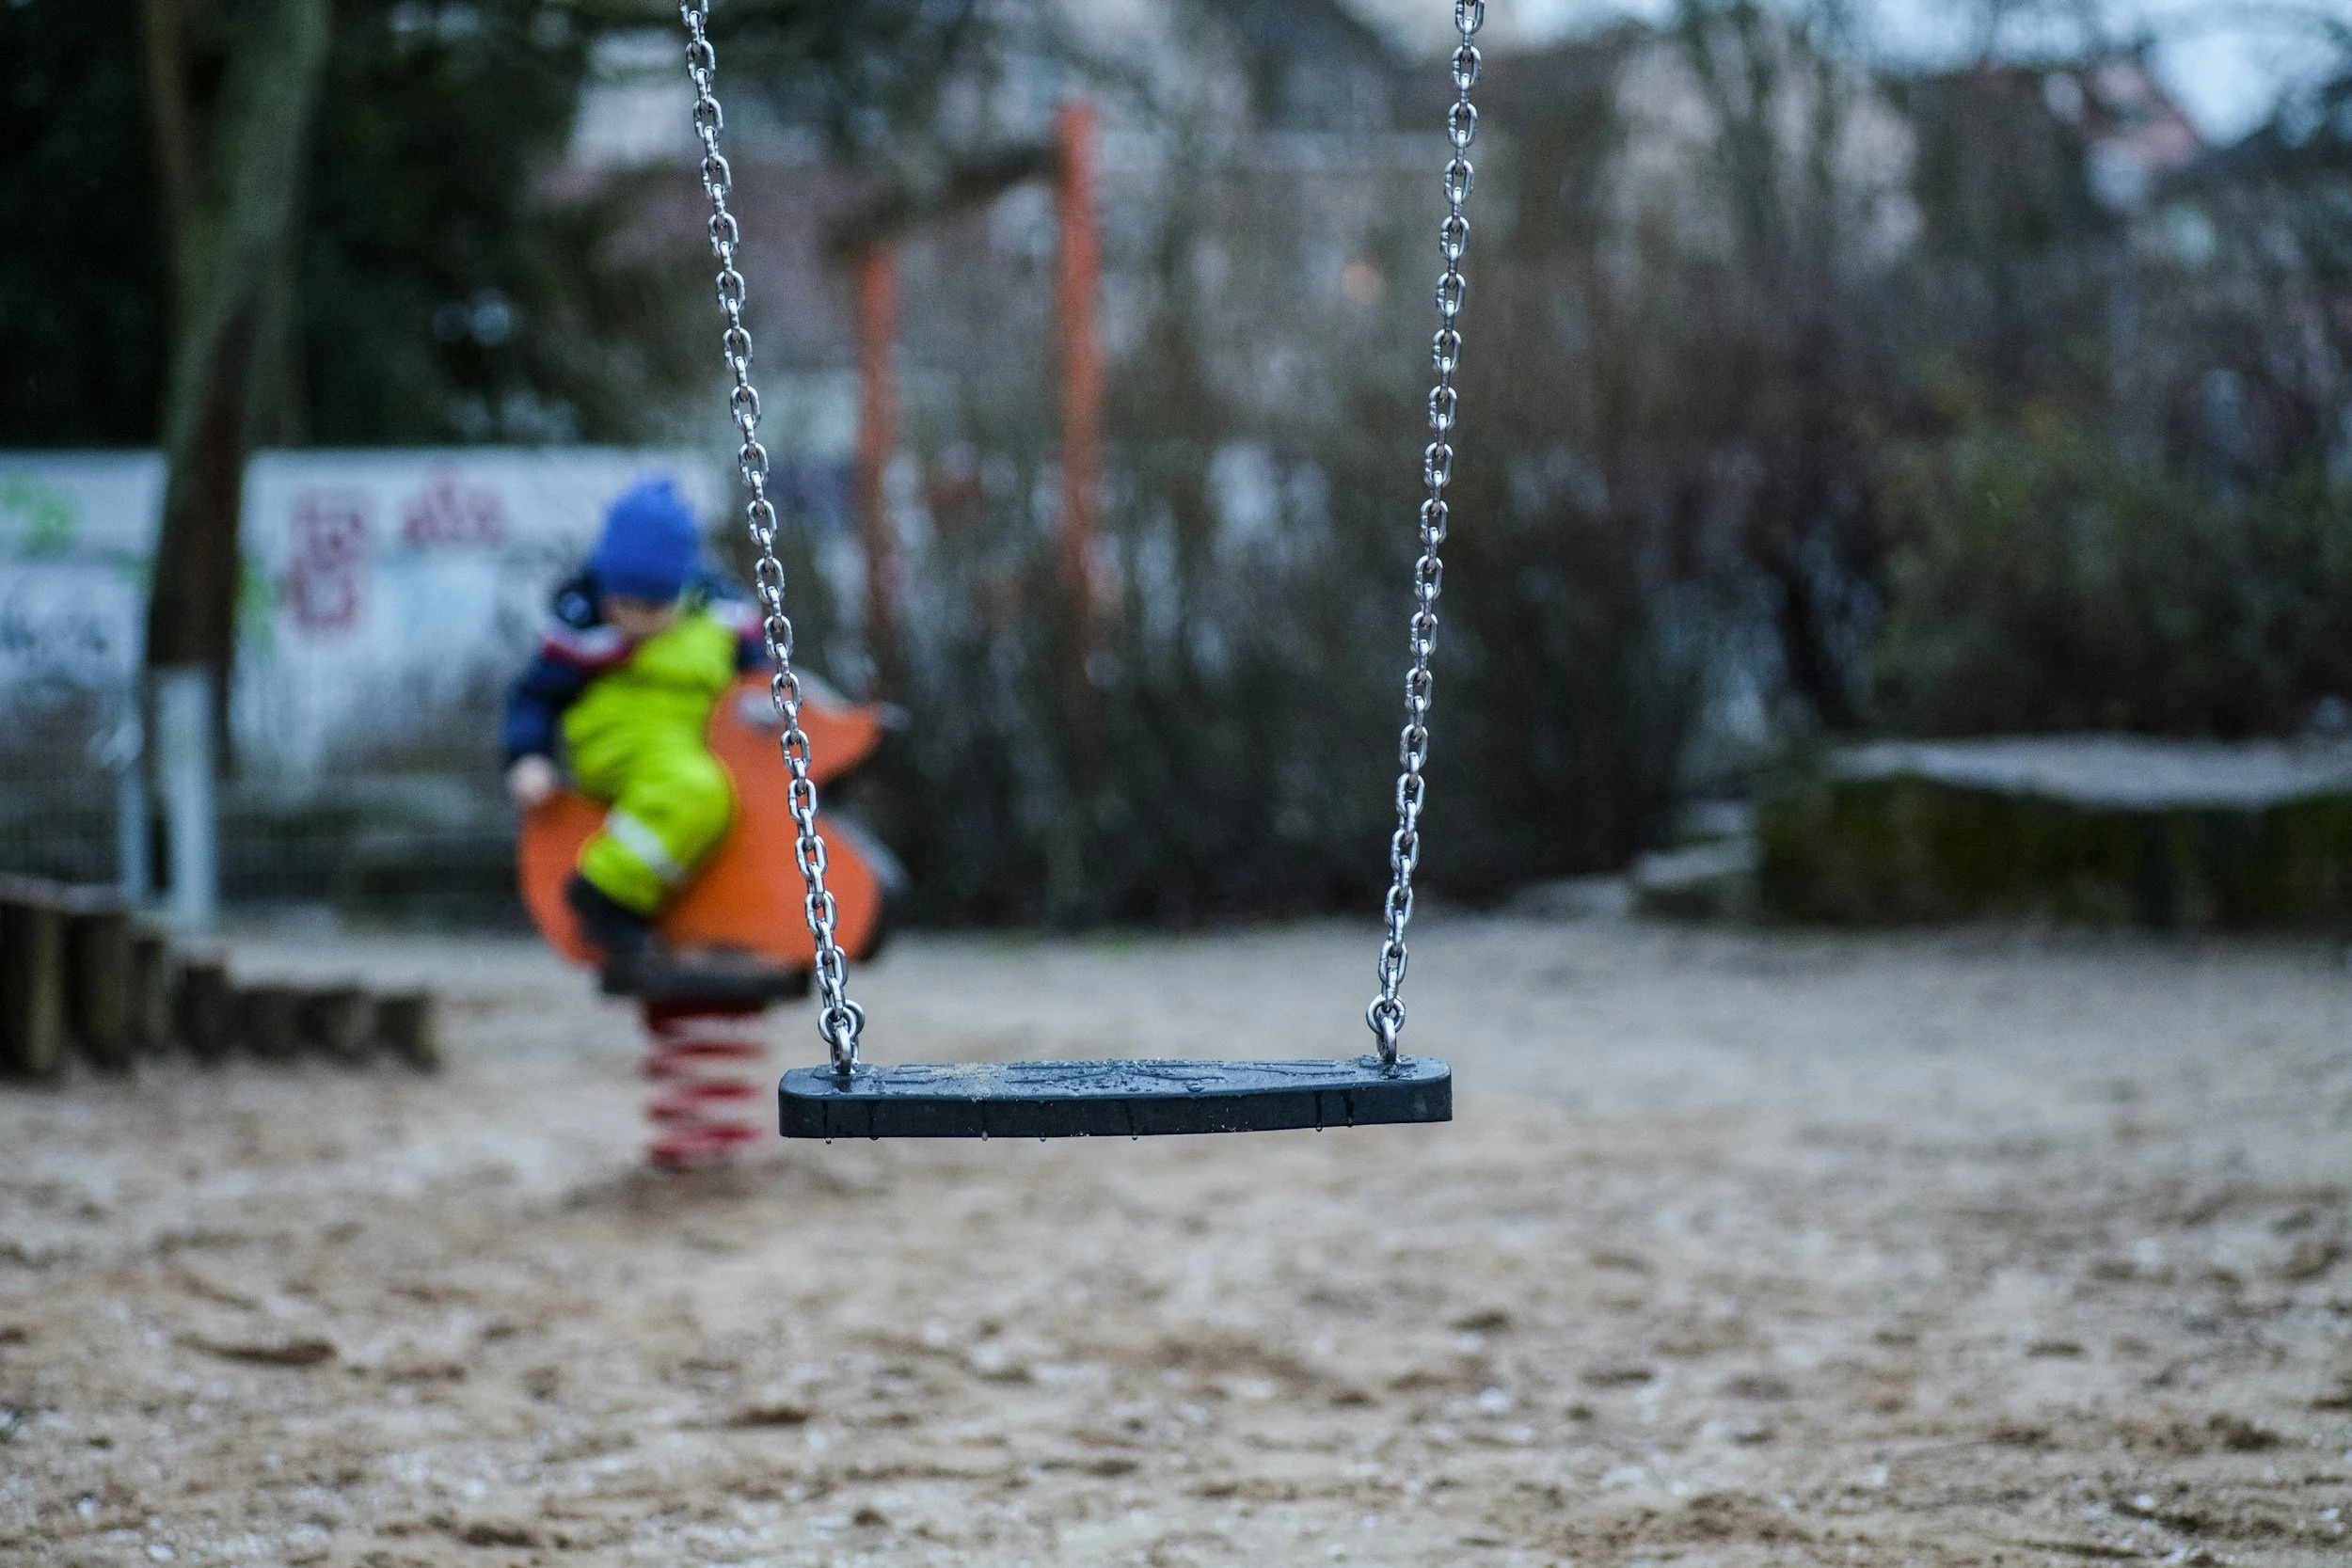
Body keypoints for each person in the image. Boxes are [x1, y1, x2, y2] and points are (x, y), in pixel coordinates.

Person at [502, 477, 765, 986]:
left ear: (684, 590)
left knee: (724, 793)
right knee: (696, 792)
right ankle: (604, 891)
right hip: (617, 744)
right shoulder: (583, 628)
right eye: (621, 604)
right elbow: (533, 696)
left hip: (692, 745)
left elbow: (760, 683)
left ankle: (689, 907)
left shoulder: (722, 620)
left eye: (651, 608)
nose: (633, 622)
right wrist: (527, 757)